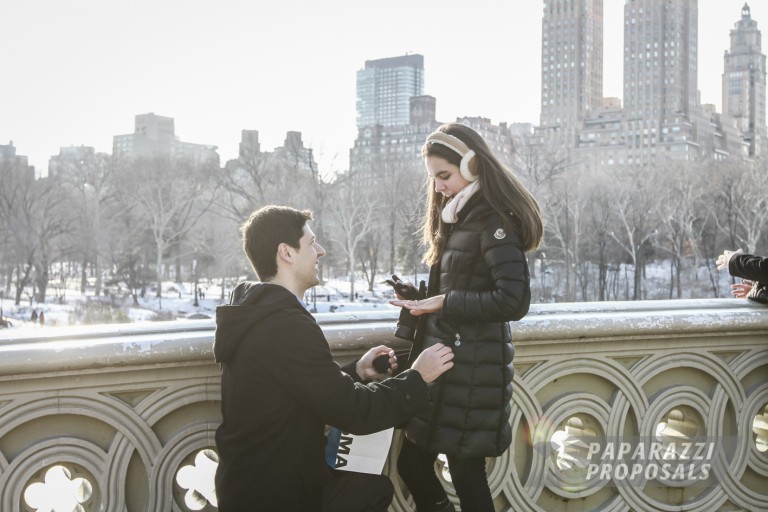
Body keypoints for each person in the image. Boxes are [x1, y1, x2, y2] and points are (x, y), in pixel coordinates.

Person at [213, 205, 455, 511]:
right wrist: (418, 377)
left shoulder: (257, 314)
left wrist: (357, 371)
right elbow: (355, 412)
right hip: (278, 497)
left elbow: (298, 387)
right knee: (373, 490)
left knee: (368, 487)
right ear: (286, 253)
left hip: (248, 486)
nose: (321, 251)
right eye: (311, 243)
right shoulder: (286, 325)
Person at [390, 123, 543, 512]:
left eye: (445, 176)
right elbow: (459, 290)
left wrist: (444, 302)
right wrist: (419, 299)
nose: (439, 187)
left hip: (473, 374)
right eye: (434, 179)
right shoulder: (459, 219)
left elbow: (514, 301)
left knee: (465, 472)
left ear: (473, 166)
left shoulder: (493, 222)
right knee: (414, 463)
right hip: (446, 369)